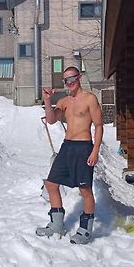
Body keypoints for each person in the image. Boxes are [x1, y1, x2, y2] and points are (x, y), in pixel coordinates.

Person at [36, 66, 103, 244]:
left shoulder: (90, 99)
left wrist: (95, 150)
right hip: (67, 147)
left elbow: (98, 126)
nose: (69, 83)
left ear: (79, 78)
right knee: (51, 184)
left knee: (85, 189)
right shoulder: (64, 101)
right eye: (66, 80)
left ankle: (85, 229)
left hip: (84, 147)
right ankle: (57, 225)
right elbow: (51, 120)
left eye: (72, 79)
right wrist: (47, 100)